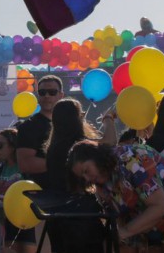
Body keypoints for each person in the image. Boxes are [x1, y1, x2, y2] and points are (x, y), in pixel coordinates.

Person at [68, 140, 164, 252]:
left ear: (96, 157)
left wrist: (124, 233)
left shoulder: (131, 159)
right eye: (82, 177)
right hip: (152, 228)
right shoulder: (102, 186)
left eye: (86, 170)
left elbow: (159, 207)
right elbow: (121, 219)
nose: (87, 179)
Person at [43, 99, 103, 253]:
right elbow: (109, 143)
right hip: (79, 213)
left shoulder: (52, 147)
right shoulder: (79, 147)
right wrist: (109, 120)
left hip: (56, 212)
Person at [15, 75, 62, 251]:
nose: (47, 96)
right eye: (43, 92)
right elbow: (25, 164)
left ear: (61, 95)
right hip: (43, 201)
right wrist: (64, 163)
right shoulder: (29, 127)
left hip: (73, 197)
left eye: (52, 92)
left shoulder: (73, 124)